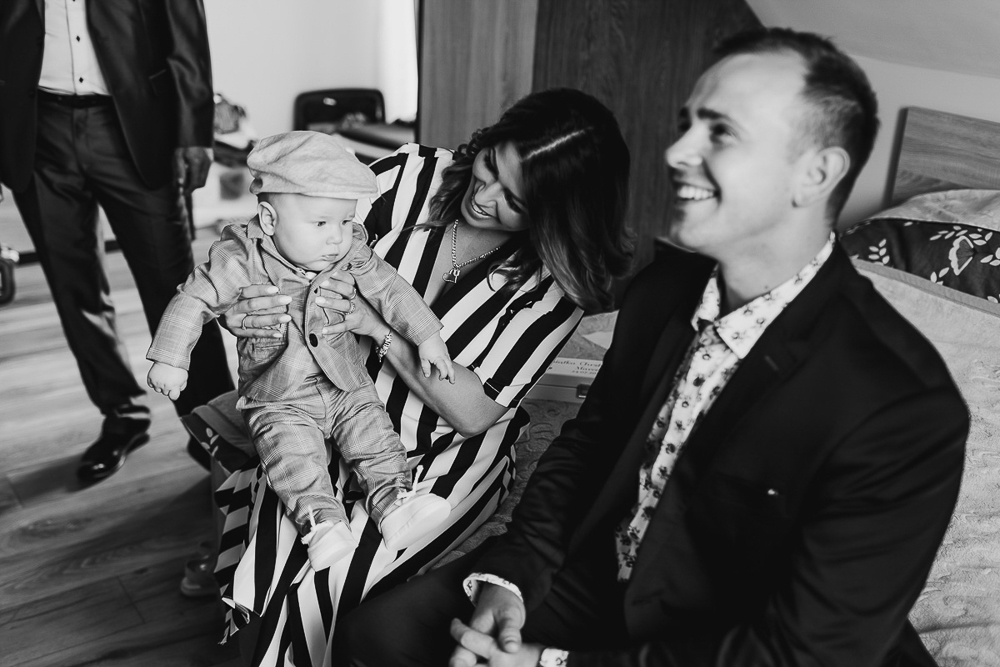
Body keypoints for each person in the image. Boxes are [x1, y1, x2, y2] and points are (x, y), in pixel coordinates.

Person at [332, 28, 969, 667]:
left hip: (737, 635)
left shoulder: (904, 406)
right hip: (602, 581)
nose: (678, 151)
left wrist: (552, 665)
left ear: (815, 174)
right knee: (376, 637)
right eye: (688, 124)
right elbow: (588, 449)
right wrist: (510, 578)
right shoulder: (664, 288)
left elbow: (803, 650)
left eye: (722, 132)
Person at [209, 88, 634, 666]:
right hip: (328, 398)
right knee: (287, 536)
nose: (484, 197)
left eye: (515, 199)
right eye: (490, 166)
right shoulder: (409, 177)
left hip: (446, 448)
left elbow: (474, 412)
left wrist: (374, 324)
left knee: (338, 578)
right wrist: (244, 306)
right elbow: (275, 240)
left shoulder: (556, 285)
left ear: (558, 214)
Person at [148, 131, 456, 570]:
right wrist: (171, 358)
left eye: (345, 222)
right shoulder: (240, 257)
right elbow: (194, 298)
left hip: (345, 383)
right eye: (321, 224)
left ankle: (394, 501)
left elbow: (390, 288)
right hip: (279, 395)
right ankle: (321, 523)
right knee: (292, 458)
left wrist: (426, 335)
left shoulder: (350, 251)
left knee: (374, 436)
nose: (337, 238)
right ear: (269, 220)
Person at [0, 0, 234, 481]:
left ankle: (215, 431)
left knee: (177, 290)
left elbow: (185, 33)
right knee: (74, 288)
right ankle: (122, 413)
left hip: (134, 123)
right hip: (36, 125)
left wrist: (195, 130)